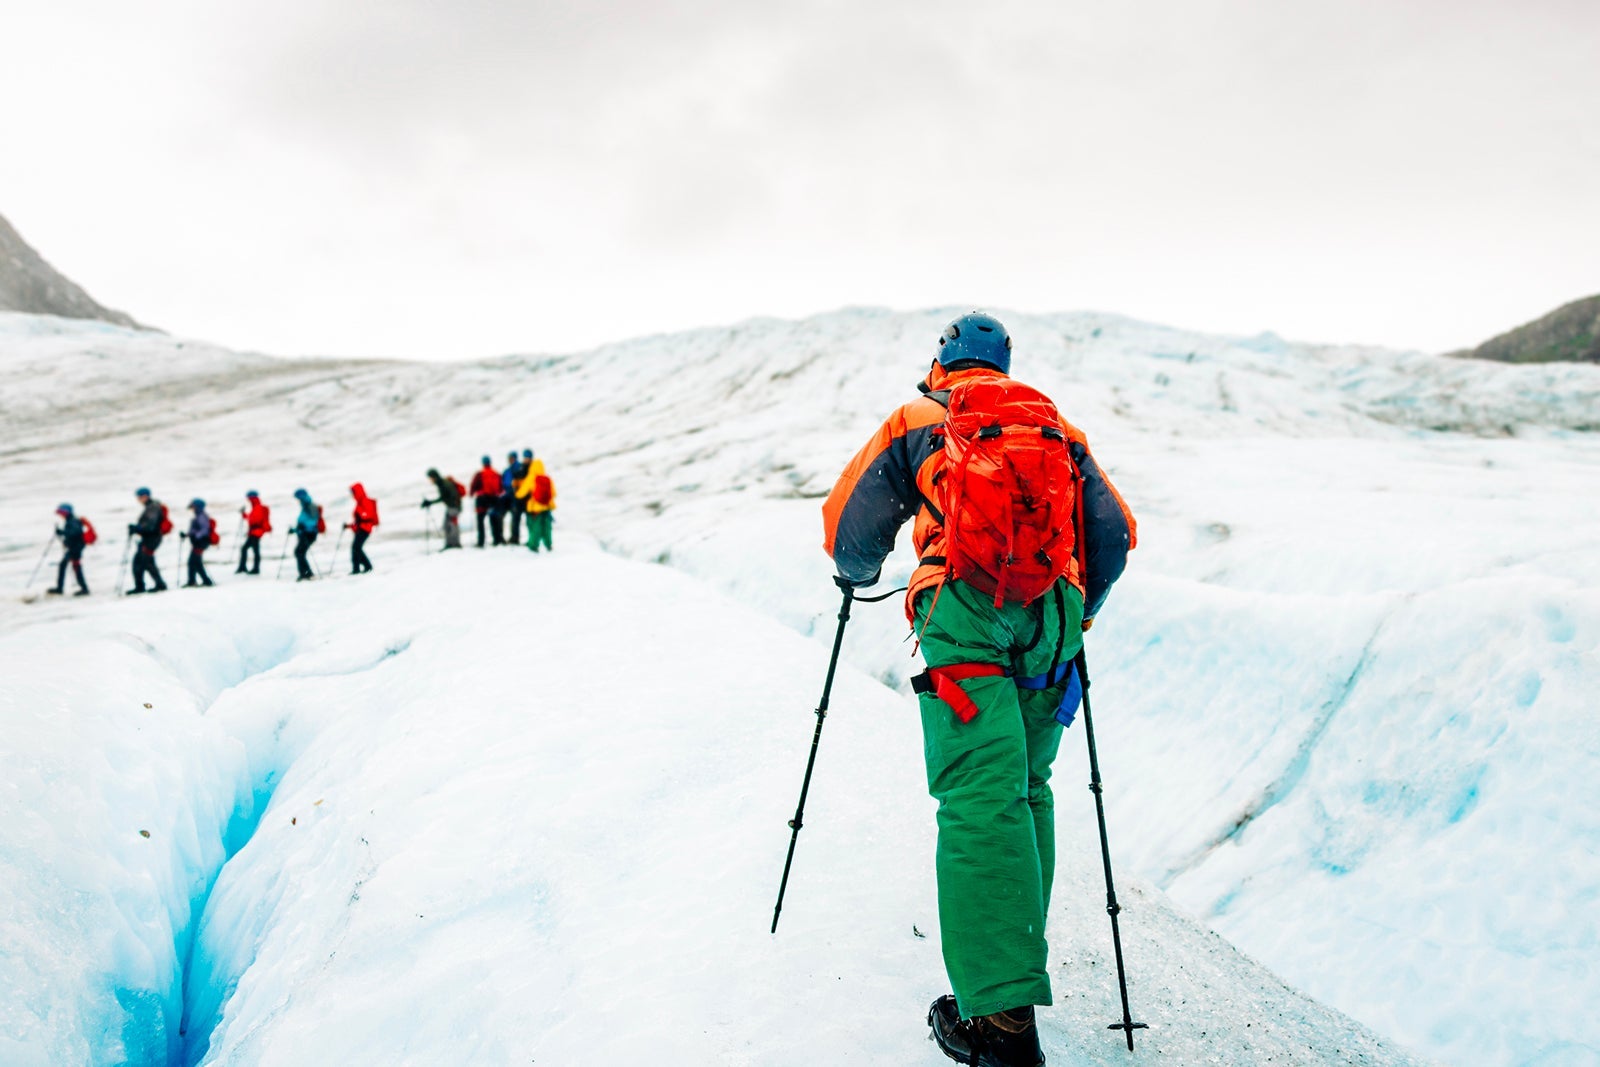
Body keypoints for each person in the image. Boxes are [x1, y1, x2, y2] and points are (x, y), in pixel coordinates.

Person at [821, 312, 1136, 1067]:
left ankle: (999, 1022)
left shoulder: (922, 417)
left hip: (964, 605)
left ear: (942, 362)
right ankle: (1013, 964)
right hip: (1053, 614)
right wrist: (1074, 609)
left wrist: (854, 578)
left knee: (978, 795)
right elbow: (1115, 533)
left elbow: (849, 527)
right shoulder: (1057, 429)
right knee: (1027, 786)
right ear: (1004, 365)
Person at [126, 487, 169, 594]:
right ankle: (148, 585)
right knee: (142, 562)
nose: (138, 499)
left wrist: (137, 528)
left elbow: (150, 525)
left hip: (152, 538)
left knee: (145, 562)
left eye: (139, 497)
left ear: (145, 496)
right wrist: (137, 529)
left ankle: (157, 585)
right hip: (150, 538)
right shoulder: (151, 506)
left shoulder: (153, 507)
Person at [515, 451, 557, 552]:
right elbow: (554, 493)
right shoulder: (547, 478)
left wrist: (516, 493)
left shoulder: (531, 477)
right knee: (547, 527)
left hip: (535, 507)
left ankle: (533, 545)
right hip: (547, 507)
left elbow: (521, 492)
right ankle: (548, 544)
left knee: (535, 527)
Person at [47, 504, 91, 596]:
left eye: (61, 512)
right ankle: (64, 588)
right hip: (75, 548)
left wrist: (62, 532)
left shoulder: (72, 521)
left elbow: (75, 533)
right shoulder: (71, 520)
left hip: (75, 548)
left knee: (73, 567)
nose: (60, 515)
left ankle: (83, 589)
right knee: (68, 566)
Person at [423, 469, 464, 550]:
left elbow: (450, 495)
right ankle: (451, 544)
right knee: (447, 525)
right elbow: (443, 497)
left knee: (452, 525)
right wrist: (431, 502)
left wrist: (431, 502)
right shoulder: (441, 484)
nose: (430, 480)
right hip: (452, 506)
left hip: (454, 507)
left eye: (430, 478)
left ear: (434, 477)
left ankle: (455, 544)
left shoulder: (444, 484)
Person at [469, 455, 504, 547]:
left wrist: (472, 493)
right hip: (494, 499)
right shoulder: (496, 474)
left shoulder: (479, 474)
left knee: (480, 521)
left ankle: (481, 542)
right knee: (494, 520)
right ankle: (497, 539)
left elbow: (473, 486)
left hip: (482, 499)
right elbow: (501, 489)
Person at [184, 498, 216, 588]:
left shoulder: (201, 516)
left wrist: (195, 537)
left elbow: (204, 530)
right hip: (200, 542)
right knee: (195, 562)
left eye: (193, 507)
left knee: (194, 562)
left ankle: (196, 581)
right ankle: (202, 581)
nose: (192, 508)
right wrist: (187, 535)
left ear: (197, 507)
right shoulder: (199, 515)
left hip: (200, 542)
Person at [348, 483, 379, 574]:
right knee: (356, 548)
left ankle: (360, 568)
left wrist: (360, 516)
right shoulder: (359, 502)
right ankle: (364, 566)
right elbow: (359, 520)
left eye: (353, 492)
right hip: (362, 528)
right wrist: (348, 526)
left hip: (365, 529)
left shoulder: (365, 501)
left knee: (356, 547)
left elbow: (367, 515)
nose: (352, 494)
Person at [237, 490, 271, 574]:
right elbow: (252, 518)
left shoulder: (257, 507)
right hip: (255, 532)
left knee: (249, 549)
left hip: (256, 532)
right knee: (250, 549)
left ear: (252, 498)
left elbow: (255, 519)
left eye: (249, 498)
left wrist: (246, 517)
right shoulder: (256, 507)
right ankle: (248, 568)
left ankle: (252, 568)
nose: (248, 500)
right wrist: (244, 514)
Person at [291, 488, 321, 581]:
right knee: (300, 552)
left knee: (299, 552)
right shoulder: (305, 507)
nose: (298, 500)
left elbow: (313, 520)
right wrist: (295, 530)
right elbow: (304, 522)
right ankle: (306, 573)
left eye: (298, 498)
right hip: (306, 533)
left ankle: (306, 573)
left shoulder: (310, 506)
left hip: (309, 534)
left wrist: (302, 528)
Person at [501, 450, 526, 545]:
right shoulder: (509, 470)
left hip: (516, 496)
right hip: (509, 496)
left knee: (515, 517)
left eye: (511, 458)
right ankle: (513, 537)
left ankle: (515, 537)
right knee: (514, 517)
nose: (510, 460)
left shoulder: (518, 468)